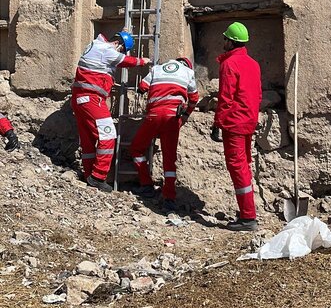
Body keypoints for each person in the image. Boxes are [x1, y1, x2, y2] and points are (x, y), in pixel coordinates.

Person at [72, 31, 150, 193]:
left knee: (87, 140)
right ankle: (98, 176)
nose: (120, 52)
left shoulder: (94, 45)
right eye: (122, 49)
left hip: (80, 99)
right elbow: (124, 61)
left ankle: (88, 175)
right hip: (92, 100)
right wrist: (142, 61)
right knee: (108, 136)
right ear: (119, 45)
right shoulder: (106, 49)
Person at [211, 22, 262, 231]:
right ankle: (246, 212)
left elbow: (225, 97)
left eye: (225, 39)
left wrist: (217, 122)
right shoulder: (253, 64)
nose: (223, 42)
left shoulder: (229, 64)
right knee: (244, 165)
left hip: (234, 123)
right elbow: (258, 95)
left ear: (231, 41)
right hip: (249, 121)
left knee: (237, 166)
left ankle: (248, 217)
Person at [130, 57, 199, 210]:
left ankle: (146, 184)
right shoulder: (188, 72)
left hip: (153, 116)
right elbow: (194, 98)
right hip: (172, 118)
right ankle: (169, 198)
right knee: (169, 159)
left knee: (136, 148)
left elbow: (142, 86)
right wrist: (186, 115)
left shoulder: (157, 69)